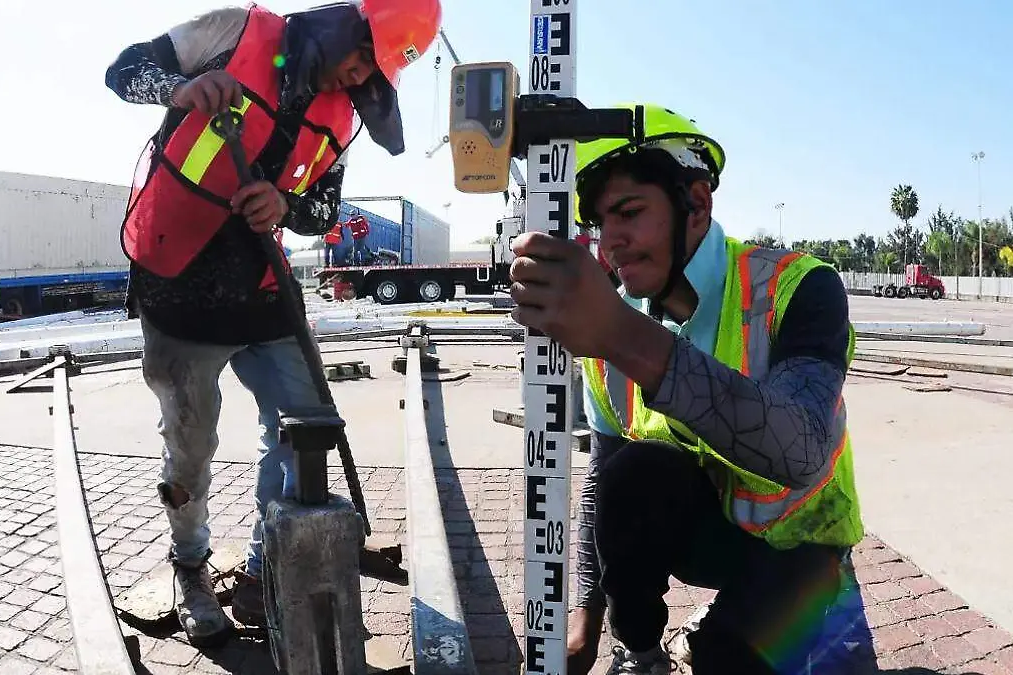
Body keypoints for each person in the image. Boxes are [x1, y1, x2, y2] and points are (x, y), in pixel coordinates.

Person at [104, 0, 441, 647]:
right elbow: (124, 71)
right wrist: (181, 88)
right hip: (178, 289)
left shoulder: (341, 117)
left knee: (305, 428)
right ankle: (190, 569)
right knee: (190, 446)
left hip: (263, 293)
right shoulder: (235, 32)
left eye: (375, 74)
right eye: (362, 58)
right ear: (345, 29)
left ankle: (262, 569)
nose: (358, 77)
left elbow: (322, 209)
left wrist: (285, 203)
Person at [507, 104, 873, 674]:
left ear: (697, 203)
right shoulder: (613, 323)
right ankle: (643, 654)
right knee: (631, 472)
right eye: (601, 224)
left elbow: (800, 449)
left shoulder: (797, 288)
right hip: (709, 540)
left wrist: (621, 334)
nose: (610, 243)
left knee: (729, 659)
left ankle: (750, 626)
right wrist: (585, 624)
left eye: (630, 212)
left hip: (801, 545)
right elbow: (605, 489)